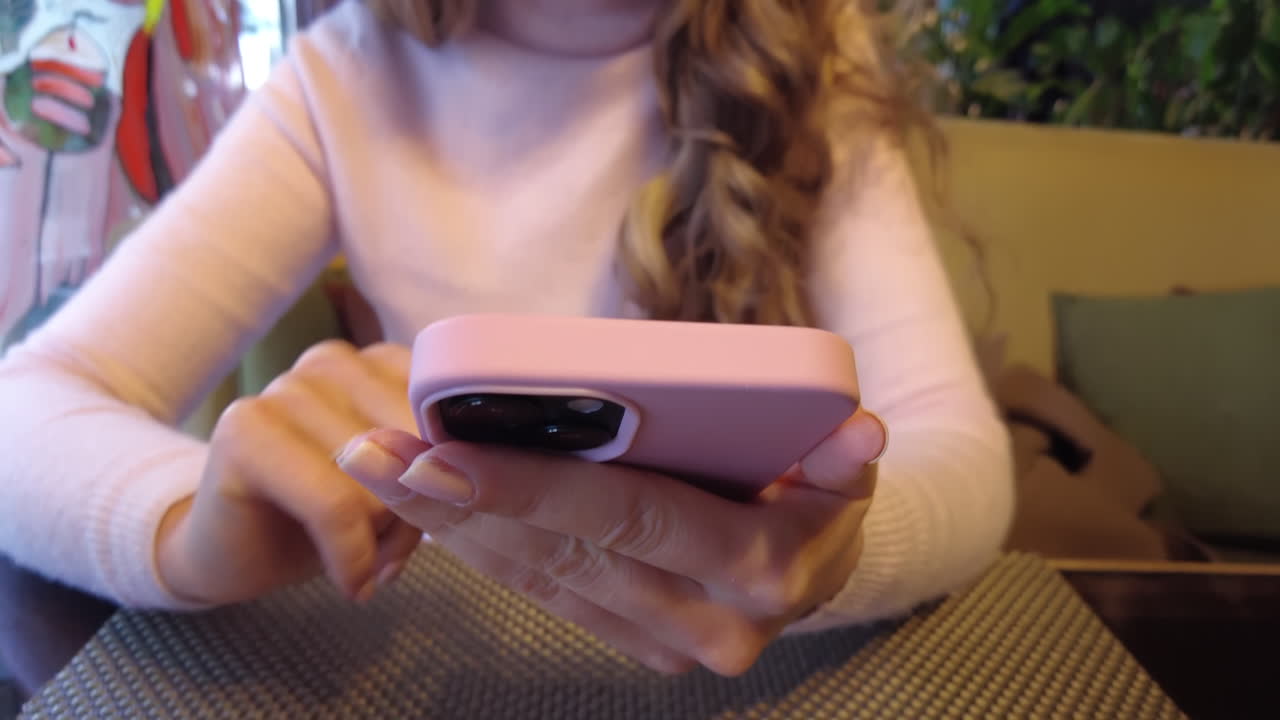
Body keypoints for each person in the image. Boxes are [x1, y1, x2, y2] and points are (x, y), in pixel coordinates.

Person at [0, 0, 1012, 680]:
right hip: (433, 654)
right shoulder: (348, 75)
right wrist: (182, 529)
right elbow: (28, 401)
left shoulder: (814, 69)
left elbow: (957, 451)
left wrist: (831, 556)